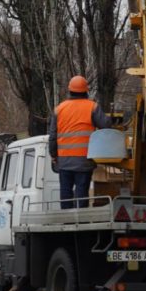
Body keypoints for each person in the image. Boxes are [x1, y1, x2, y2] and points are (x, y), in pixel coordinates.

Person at [48, 75, 112, 210]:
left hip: (64, 161)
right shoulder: (92, 107)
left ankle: (66, 223)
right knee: (82, 194)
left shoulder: (59, 109)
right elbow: (106, 125)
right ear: (86, 91)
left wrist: (54, 155)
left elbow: (53, 136)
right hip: (84, 160)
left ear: (70, 90)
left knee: (65, 193)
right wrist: (110, 117)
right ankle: (80, 222)